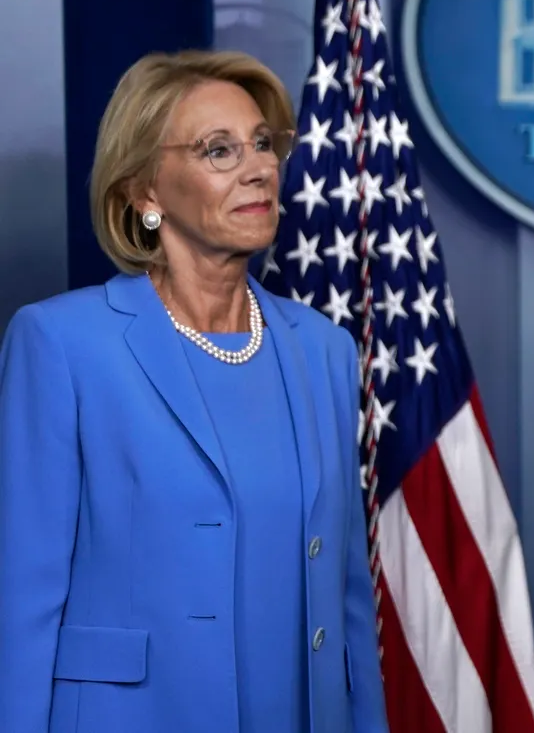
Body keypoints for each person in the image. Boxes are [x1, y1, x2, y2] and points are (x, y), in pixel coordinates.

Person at [0, 51, 387, 733]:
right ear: (145, 192)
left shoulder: (324, 348)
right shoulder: (62, 344)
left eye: (263, 143)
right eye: (219, 149)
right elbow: (22, 604)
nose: (258, 167)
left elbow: (348, 599)